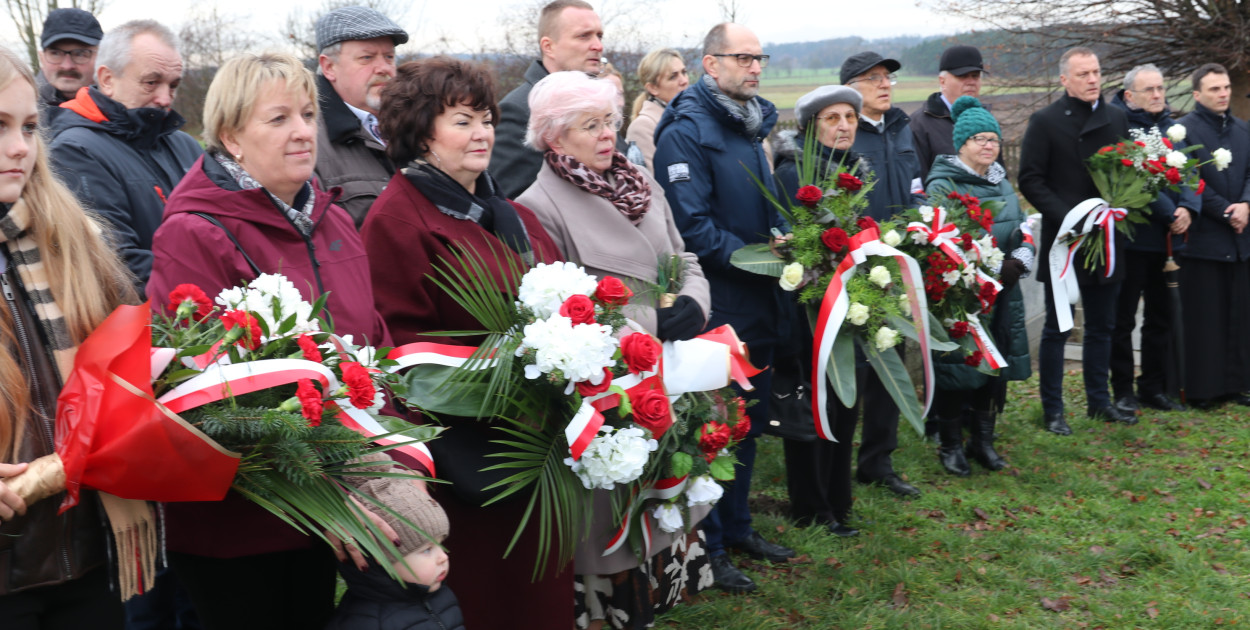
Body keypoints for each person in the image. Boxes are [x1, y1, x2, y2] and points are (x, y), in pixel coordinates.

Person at [144, 52, 395, 630]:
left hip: (327, 498)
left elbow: (370, 337)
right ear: (231, 136)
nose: (304, 131)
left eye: (307, 114)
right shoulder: (195, 231)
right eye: (278, 118)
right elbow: (205, 388)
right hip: (240, 524)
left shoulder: (329, 219)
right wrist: (329, 489)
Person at [360, 56, 569, 630]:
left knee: (541, 592)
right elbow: (399, 346)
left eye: (486, 118)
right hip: (469, 453)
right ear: (419, 132)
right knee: (492, 598)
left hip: (534, 440)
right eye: (460, 120)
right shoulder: (398, 219)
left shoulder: (504, 209)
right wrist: (514, 369)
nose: (481, 133)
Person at [516, 70, 712, 629]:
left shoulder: (640, 182)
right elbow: (559, 311)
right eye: (590, 125)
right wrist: (649, 325)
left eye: (610, 121)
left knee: (663, 514)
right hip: (610, 393)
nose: (607, 135)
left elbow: (685, 257)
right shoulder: (538, 205)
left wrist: (695, 304)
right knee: (613, 529)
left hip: (671, 372)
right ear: (554, 137)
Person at [653, 22, 795, 595]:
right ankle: (708, 548)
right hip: (719, 303)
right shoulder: (686, 130)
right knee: (715, 431)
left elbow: (755, 209)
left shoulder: (748, 122)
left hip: (757, 299)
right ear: (711, 65)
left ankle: (738, 529)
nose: (755, 67)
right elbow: (691, 228)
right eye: (744, 58)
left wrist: (783, 238)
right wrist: (760, 259)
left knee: (750, 424)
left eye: (760, 57)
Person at [0, 43, 135, 629]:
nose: (20, 148)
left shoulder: (74, 236)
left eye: (31, 125)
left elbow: (131, 367)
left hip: (83, 548)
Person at [1018, 47, 1135, 433]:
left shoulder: (1116, 118)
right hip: (1065, 241)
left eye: (1097, 72)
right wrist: (1069, 217)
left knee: (1102, 325)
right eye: (1083, 74)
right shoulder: (1045, 121)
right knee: (1058, 327)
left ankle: (1099, 403)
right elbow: (1031, 179)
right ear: (1065, 80)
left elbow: (1127, 172)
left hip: (1105, 237)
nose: (1092, 79)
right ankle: (1053, 410)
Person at [772, 85, 867, 537]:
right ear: (811, 127)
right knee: (814, 403)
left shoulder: (856, 171)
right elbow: (796, 242)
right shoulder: (795, 174)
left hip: (851, 303)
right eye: (833, 118)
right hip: (809, 306)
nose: (844, 125)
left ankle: (839, 499)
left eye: (849, 116)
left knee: (845, 401)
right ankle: (812, 505)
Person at [47, 19, 202, 292]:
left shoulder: (186, 145)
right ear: (107, 80)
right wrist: (208, 293)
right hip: (157, 323)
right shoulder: (74, 151)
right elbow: (117, 263)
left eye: (173, 85)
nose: (165, 98)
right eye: (151, 82)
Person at [924, 96, 1034, 475]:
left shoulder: (1001, 182)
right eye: (980, 139)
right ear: (962, 144)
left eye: (994, 139)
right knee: (962, 366)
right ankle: (950, 444)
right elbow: (942, 241)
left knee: (996, 363)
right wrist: (989, 265)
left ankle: (983, 442)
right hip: (963, 294)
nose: (989, 146)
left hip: (1005, 290)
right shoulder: (943, 185)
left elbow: (1022, 228)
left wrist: (1021, 257)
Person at [843, 51, 924, 498]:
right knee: (851, 364)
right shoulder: (847, 134)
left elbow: (915, 186)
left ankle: (878, 459)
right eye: (872, 78)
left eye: (888, 77)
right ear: (850, 87)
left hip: (900, 263)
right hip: (856, 265)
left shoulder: (901, 128)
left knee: (888, 361)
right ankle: (834, 456)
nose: (884, 84)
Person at [1107, 64, 1195, 414]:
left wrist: (1189, 207)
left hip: (1170, 242)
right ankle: (1123, 390)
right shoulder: (1121, 128)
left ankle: (1153, 387)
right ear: (1130, 96)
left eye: (1161, 88)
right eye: (1149, 90)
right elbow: (1137, 176)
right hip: (1133, 239)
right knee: (1124, 319)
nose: (1158, 95)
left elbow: (1192, 170)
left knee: (1160, 317)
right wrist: (1170, 212)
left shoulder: (1174, 128)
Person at [1175, 63, 1250, 409]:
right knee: (1206, 319)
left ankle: (1237, 384)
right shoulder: (1183, 132)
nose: (1222, 94)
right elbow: (1189, 181)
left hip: (1241, 238)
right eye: (1214, 89)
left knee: (1239, 314)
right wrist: (1226, 211)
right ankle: (1205, 390)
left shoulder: (1243, 130)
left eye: (1225, 88)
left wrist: (1246, 204)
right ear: (1196, 94)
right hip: (1205, 239)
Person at [326, 454, 463, 630]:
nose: (443, 557)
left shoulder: (440, 595)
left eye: (441, 544)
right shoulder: (366, 622)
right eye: (427, 550)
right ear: (378, 561)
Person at [491, 0, 603, 198]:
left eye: (599, 36)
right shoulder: (520, 110)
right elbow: (516, 204)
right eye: (584, 36)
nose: (598, 45)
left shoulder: (598, 106)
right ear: (548, 46)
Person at [313, 6, 407, 228]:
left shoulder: (417, 126)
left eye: (389, 57)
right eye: (367, 58)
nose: (383, 68)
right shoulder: (308, 139)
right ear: (329, 67)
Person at [910, 45, 986, 180]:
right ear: (942, 81)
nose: (971, 82)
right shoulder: (919, 124)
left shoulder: (986, 120)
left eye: (975, 76)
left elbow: (999, 174)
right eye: (962, 76)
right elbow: (919, 181)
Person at [627, 48, 689, 173]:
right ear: (653, 88)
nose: (684, 81)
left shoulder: (690, 116)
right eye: (673, 76)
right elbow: (650, 185)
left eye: (684, 72)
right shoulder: (642, 127)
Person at [35, 8, 102, 119]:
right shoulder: (17, 110)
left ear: (100, 57)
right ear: (41, 57)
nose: (67, 66)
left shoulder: (123, 107)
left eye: (80, 54)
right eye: (56, 53)